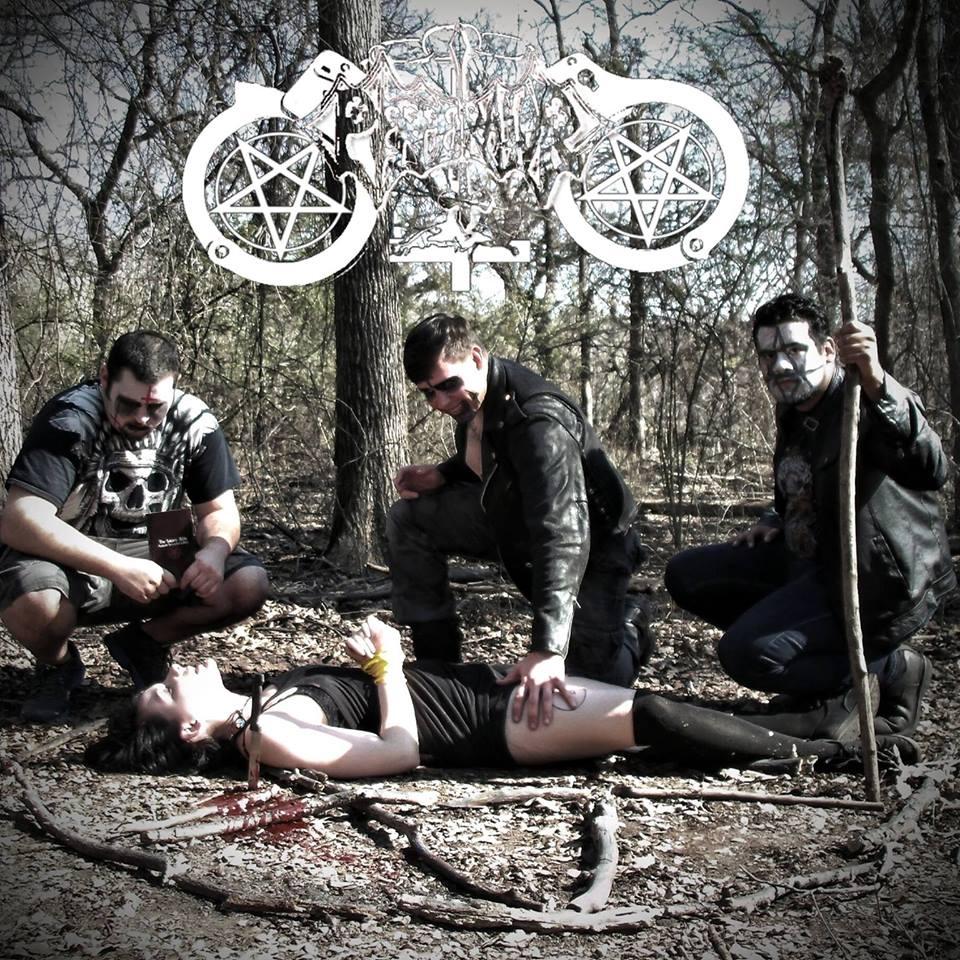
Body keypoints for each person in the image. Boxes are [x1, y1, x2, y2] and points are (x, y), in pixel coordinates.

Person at [84, 615, 916, 778]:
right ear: (189, 730)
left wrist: (378, 665)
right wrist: (387, 666)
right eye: (165, 690)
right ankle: (828, 752)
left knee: (661, 709)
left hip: (481, 692)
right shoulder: (265, 736)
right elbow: (398, 753)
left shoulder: (263, 700)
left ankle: (840, 717)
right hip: (494, 727)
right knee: (656, 718)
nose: (175, 671)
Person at [665, 293, 956, 739]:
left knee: (745, 655)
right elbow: (803, 483)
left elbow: (931, 468)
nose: (780, 365)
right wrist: (775, 518)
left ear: (828, 350)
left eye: (794, 350)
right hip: (809, 563)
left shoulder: (864, 401)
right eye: (768, 355)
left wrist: (878, 380)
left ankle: (892, 666)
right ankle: (813, 666)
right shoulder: (794, 410)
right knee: (687, 574)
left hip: (874, 580)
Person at [388, 313, 649, 731]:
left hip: (593, 548)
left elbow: (563, 533)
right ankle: (437, 669)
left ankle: (632, 628)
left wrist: (547, 649)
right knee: (409, 517)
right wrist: (444, 474)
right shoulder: (478, 395)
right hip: (513, 518)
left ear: (476, 358)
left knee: (585, 693)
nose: (438, 402)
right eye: (427, 392)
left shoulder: (539, 422)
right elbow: (500, 458)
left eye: (447, 385)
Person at [0, 331, 270, 722]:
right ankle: (58, 665)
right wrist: (117, 567)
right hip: (71, 557)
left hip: (156, 551)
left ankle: (143, 644)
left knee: (247, 582)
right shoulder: (71, 419)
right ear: (104, 378)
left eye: (155, 407)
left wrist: (214, 551)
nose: (142, 418)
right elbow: (20, 518)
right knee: (33, 601)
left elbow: (220, 510)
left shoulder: (194, 422)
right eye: (128, 404)